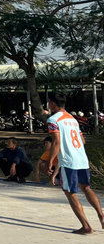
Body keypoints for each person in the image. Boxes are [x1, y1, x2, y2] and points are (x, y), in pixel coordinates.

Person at [46, 92, 104, 234]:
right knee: (86, 187)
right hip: (82, 159)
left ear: (52, 103)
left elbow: (56, 142)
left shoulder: (53, 120)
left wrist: (50, 161)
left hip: (69, 161)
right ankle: (101, 215)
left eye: (48, 102)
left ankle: (86, 226)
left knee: (69, 192)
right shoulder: (73, 119)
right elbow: (82, 141)